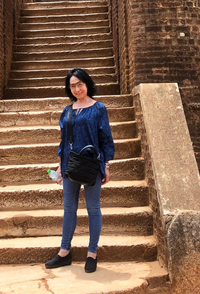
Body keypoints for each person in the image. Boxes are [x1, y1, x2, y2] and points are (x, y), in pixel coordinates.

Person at [45, 68, 115, 273]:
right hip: (69, 166)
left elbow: (105, 138)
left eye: (79, 84)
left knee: (93, 208)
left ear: (87, 84)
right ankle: (64, 252)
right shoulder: (67, 111)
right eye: (72, 85)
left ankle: (92, 253)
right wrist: (60, 165)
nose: (76, 89)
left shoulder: (99, 108)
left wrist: (107, 164)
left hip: (92, 164)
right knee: (69, 209)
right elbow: (64, 141)